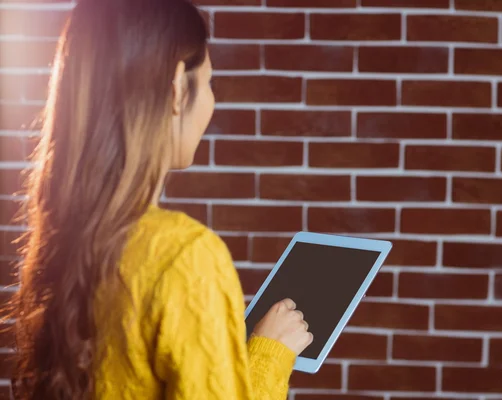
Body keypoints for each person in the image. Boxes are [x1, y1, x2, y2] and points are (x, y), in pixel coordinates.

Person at [9, 0, 313, 398]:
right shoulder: (184, 256)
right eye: (208, 83)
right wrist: (270, 355)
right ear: (174, 88)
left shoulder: (61, 239)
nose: (211, 102)